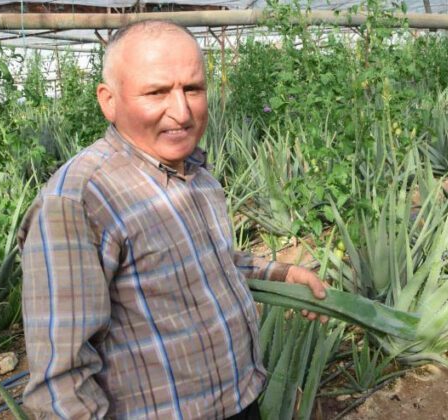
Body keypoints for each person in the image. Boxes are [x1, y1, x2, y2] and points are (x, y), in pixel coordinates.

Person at [19, 20, 327, 419]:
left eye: (192, 89)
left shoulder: (194, 173)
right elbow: (59, 382)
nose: (181, 112)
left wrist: (281, 274)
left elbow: (210, 262)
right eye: (157, 92)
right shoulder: (81, 198)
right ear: (108, 100)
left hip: (238, 400)